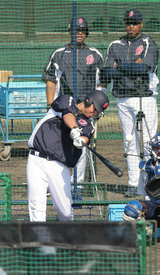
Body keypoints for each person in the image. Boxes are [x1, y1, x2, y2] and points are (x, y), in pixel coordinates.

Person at [100, 9, 159, 197]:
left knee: (149, 141)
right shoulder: (115, 44)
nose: (131, 26)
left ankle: (150, 182)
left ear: (141, 24)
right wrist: (131, 66)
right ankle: (134, 183)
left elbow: (143, 68)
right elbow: (106, 73)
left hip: (145, 97)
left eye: (134, 23)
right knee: (129, 141)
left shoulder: (148, 43)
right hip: (123, 98)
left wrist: (120, 66)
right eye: (128, 23)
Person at [27, 90, 109, 222]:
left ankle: (66, 239)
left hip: (58, 166)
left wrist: (81, 141)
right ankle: (40, 241)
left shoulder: (89, 124)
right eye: (95, 109)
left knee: (65, 212)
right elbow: (67, 115)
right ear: (88, 100)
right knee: (37, 206)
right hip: (36, 159)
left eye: (98, 112)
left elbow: (85, 136)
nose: (95, 113)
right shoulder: (67, 100)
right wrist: (74, 129)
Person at [42, 17, 106, 184]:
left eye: (82, 30)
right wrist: (50, 105)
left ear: (86, 33)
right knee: (57, 143)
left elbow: (101, 82)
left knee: (81, 146)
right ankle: (56, 183)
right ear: (70, 32)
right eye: (75, 30)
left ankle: (77, 185)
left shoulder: (95, 54)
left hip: (86, 109)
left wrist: (98, 109)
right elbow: (51, 80)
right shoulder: (59, 54)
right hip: (64, 107)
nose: (79, 33)